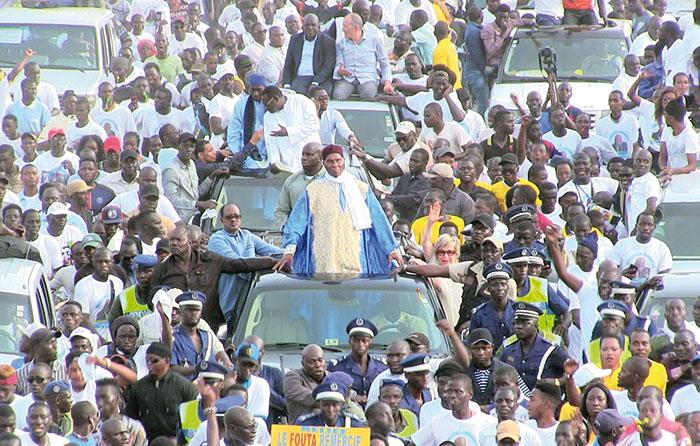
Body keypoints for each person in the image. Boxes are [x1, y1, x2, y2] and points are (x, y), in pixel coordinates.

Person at [275, 145, 402, 276]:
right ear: (323, 163)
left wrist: (391, 250)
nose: (335, 164)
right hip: (323, 263)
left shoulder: (361, 188)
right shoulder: (313, 190)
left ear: (344, 161)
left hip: (356, 260)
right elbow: (297, 223)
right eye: (330, 161)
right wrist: (289, 251)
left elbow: (378, 221)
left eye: (338, 160)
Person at [208, 203, 283, 332]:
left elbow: (274, 251)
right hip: (231, 301)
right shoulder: (216, 240)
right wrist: (268, 261)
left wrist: (291, 253)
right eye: (229, 217)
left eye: (236, 216)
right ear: (222, 220)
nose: (233, 220)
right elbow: (238, 263)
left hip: (252, 297)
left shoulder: (246, 235)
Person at [125, 342, 197, 441]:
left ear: (167, 360)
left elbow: (192, 422)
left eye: (154, 361)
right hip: (148, 441)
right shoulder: (139, 387)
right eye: (147, 360)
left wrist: (181, 441)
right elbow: (131, 418)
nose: (149, 364)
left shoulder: (184, 386)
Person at [500, 302, 569, 391]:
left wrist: (557, 382)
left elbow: (574, 371)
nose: (519, 327)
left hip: (544, 400)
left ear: (536, 325)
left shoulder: (550, 350)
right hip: (516, 402)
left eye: (525, 323)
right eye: (517, 323)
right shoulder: (508, 350)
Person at [412, 374, 497, 444]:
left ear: (470, 394)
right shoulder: (437, 422)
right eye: (449, 391)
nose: (452, 395)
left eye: (458, 391)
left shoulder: (488, 423)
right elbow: (415, 442)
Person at [260, 86, 321, 174]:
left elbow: (313, 124)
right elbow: (270, 142)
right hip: (287, 165)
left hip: (310, 158)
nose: (265, 108)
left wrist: (289, 132)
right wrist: (274, 161)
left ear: (276, 99)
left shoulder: (301, 101)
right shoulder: (268, 117)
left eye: (267, 104)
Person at [333, 13, 393, 100]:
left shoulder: (375, 40)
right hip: (348, 79)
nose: (342, 29)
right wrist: (339, 72)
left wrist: (387, 83)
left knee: (369, 95)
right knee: (338, 94)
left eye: (345, 26)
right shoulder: (341, 44)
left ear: (356, 27)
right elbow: (339, 65)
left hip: (367, 79)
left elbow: (385, 64)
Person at [282, 14, 336, 95]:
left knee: (322, 95)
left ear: (319, 27)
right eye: (307, 25)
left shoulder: (328, 42)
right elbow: (289, 64)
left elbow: (328, 66)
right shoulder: (295, 39)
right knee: (297, 95)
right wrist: (286, 84)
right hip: (300, 78)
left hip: (321, 79)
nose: (310, 28)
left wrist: (315, 82)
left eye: (313, 25)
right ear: (302, 26)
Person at [275, 142, 325, 227]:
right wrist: (286, 228)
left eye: (309, 155)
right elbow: (281, 210)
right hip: (297, 235)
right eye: (303, 154)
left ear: (320, 157)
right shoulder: (291, 181)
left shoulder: (330, 180)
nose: (304, 158)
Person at [610, 212, 672, 279]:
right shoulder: (621, 245)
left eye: (649, 224)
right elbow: (611, 271)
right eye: (642, 224)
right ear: (636, 226)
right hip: (625, 288)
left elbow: (665, 274)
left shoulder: (662, 248)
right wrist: (622, 275)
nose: (645, 228)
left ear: (654, 227)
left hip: (653, 289)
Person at [283, 344, 327, 423]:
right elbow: (309, 397)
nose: (318, 365)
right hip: (301, 430)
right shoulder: (291, 378)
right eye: (312, 362)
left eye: (320, 360)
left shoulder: (332, 377)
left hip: (330, 432)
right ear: (303, 363)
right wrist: (333, 399)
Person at [295, 381, 364, 427]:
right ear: (319, 405)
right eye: (326, 405)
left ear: (341, 405)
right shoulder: (305, 424)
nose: (331, 409)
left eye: (335, 405)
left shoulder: (353, 424)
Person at [659, 99, 699, 175]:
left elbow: (692, 166)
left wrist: (674, 171)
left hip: (687, 178)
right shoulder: (667, 130)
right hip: (669, 176)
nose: (664, 117)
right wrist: (664, 168)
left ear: (671, 118)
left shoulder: (689, 135)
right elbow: (663, 156)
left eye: (665, 114)